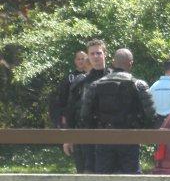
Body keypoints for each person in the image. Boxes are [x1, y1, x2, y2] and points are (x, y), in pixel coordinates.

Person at [79, 48, 159, 173]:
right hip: (129, 137)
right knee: (131, 179)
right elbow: (150, 115)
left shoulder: (95, 85)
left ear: (114, 63)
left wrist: (97, 128)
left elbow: (85, 116)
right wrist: (139, 128)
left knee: (103, 179)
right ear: (131, 63)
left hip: (103, 137)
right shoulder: (138, 85)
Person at [64, 39, 111, 173]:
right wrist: (68, 138)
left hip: (108, 138)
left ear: (105, 54)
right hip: (83, 138)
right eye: (92, 54)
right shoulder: (80, 82)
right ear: (88, 56)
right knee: (85, 177)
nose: (96, 56)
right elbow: (71, 111)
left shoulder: (115, 79)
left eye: (99, 53)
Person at [50, 50, 90, 128]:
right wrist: (63, 115)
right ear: (75, 61)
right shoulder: (69, 78)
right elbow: (63, 98)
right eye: (79, 59)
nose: (81, 61)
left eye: (83, 59)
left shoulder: (91, 75)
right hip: (72, 114)